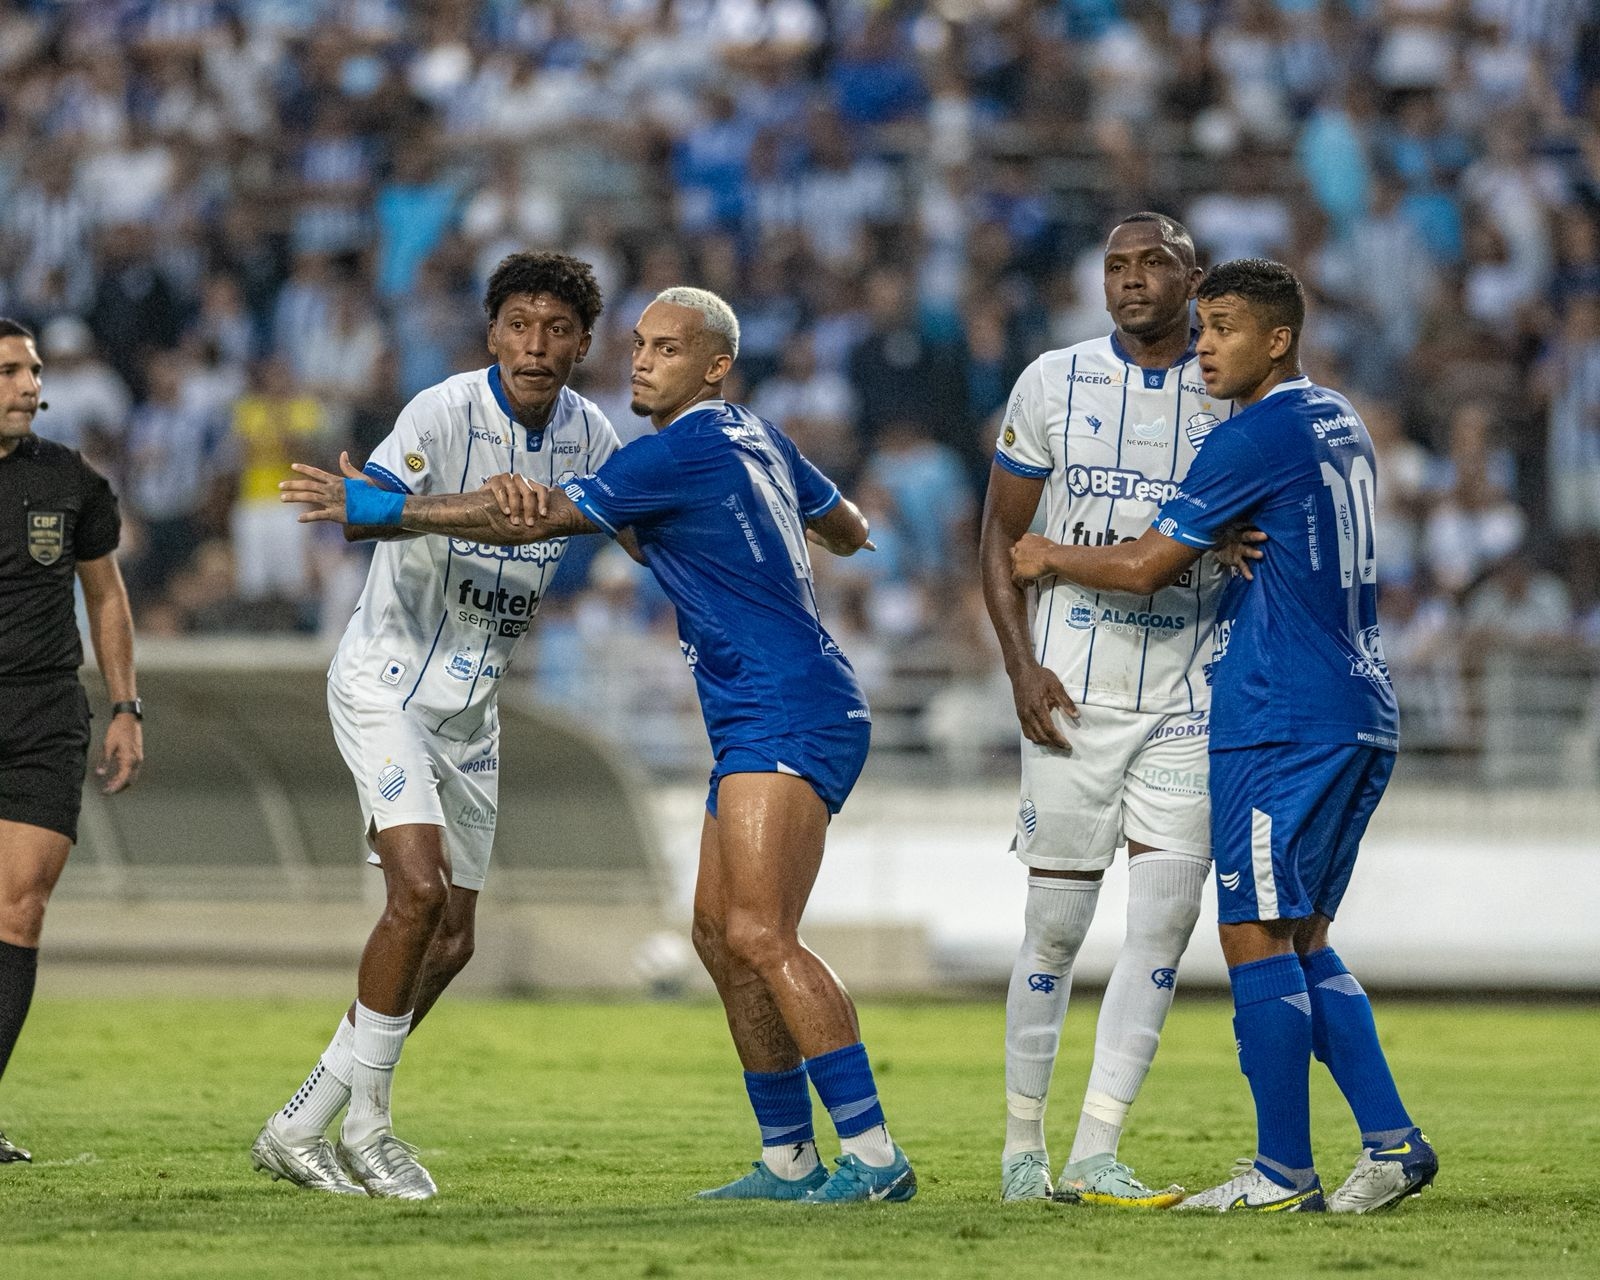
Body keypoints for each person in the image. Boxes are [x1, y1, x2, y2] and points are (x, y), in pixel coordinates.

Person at [282, 287, 918, 1205]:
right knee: (715, 933)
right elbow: (850, 529)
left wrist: (388, 510)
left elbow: (534, 519)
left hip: (784, 704)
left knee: (757, 931)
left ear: (714, 366)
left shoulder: (680, 448)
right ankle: (789, 1160)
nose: (643, 360)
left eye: (665, 347)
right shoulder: (757, 437)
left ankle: (872, 1156)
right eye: (639, 344)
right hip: (772, 702)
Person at [1010, 259, 1438, 1214]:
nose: (1203, 344)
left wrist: (1046, 554)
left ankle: (1281, 1171)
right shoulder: (1337, 418)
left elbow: (1146, 566)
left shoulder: (1257, 435)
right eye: (1201, 327)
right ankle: (1394, 1142)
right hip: (1358, 705)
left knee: (1249, 932)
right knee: (1305, 937)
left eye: (1225, 327)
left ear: (1276, 340)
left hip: (1282, 718)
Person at [251, 252, 621, 1200]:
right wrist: (474, 511)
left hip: (471, 708)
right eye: (520, 325)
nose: (536, 345)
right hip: (384, 685)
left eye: (557, 329)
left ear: (583, 344)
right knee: (415, 896)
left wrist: (537, 518)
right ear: (493, 332)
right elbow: (367, 512)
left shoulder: (595, 435)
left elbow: (612, 518)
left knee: (452, 939)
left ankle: (300, 1122)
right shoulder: (441, 410)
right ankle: (372, 1129)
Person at [979, 213, 1234, 1206]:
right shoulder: (1052, 379)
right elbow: (997, 538)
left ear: (1193, 277)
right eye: (1115, 266)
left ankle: (1096, 1147)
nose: (1130, 281)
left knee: (1164, 922)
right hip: (1071, 690)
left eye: (1151, 264)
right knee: (1052, 926)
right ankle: (1020, 1148)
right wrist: (1019, 669)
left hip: (1189, 692)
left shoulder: (1234, 393)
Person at [0, 318, 143, 1164]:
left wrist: (127, 708)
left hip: (45, 717)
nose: (30, 386)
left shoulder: (71, 482)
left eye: (33, 371)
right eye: (11, 371)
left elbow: (108, 598)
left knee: (20, 909)